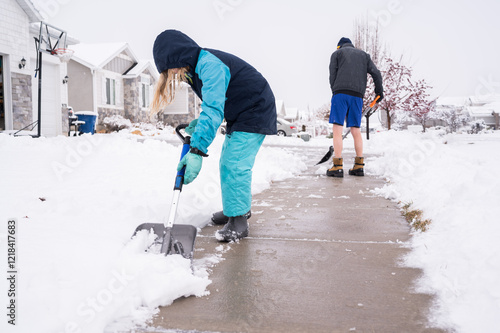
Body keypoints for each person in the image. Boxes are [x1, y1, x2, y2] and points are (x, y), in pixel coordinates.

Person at [151, 30, 277, 242]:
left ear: (178, 56)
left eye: (170, 68)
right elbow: (214, 104)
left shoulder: (209, 66)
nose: (172, 75)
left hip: (255, 109)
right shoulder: (195, 69)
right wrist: (199, 125)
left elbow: (213, 109)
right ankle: (235, 210)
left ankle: (239, 220)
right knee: (228, 162)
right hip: (241, 111)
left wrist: (197, 150)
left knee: (235, 163)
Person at [327, 37, 383, 177]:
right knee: (355, 130)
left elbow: (332, 75)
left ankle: (337, 166)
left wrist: (335, 91)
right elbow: (376, 73)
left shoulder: (337, 54)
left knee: (337, 129)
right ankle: (359, 166)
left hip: (340, 94)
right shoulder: (364, 56)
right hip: (357, 96)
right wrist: (379, 91)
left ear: (339, 46)